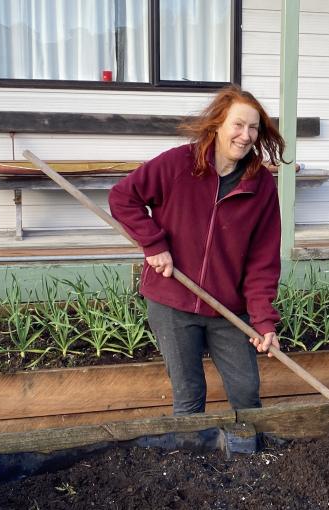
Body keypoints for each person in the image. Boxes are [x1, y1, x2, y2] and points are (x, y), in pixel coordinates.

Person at [108, 85, 286, 415]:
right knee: (189, 395)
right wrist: (153, 243)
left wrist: (263, 321)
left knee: (246, 391)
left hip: (227, 308)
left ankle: (253, 460)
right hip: (173, 300)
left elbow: (263, 262)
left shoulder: (260, 186)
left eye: (253, 127)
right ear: (218, 124)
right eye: (237, 124)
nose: (245, 136)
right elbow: (122, 197)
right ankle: (191, 462)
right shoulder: (179, 164)